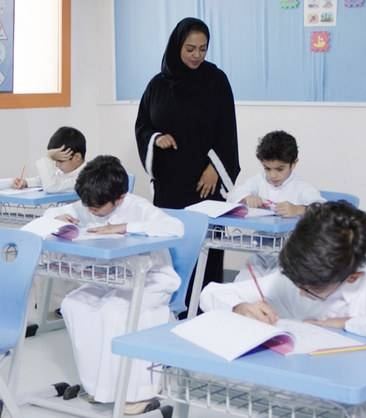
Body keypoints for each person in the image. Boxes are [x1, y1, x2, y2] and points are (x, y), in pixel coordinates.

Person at [200, 201, 366, 417]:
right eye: (297, 282)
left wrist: (346, 323)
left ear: (352, 276)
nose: (300, 292)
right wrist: (239, 307)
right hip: (317, 399)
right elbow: (210, 294)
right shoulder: (294, 279)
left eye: (311, 289)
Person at [41, 156, 184, 415]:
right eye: (87, 205)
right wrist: (58, 219)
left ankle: (137, 394)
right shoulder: (90, 202)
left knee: (114, 312)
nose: (90, 211)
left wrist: (124, 228)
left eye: (96, 207)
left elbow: (175, 227)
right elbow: (51, 215)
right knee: (73, 304)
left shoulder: (138, 207)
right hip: (111, 278)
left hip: (150, 281)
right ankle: (100, 387)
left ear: (119, 198)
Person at [135, 17, 240, 309]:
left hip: (205, 184)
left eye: (202, 49)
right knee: (171, 248)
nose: (197, 55)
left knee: (206, 247)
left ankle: (206, 310)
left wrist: (216, 169)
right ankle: (170, 310)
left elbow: (227, 130)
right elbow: (142, 125)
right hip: (170, 184)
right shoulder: (158, 85)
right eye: (190, 49)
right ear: (177, 46)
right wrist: (156, 138)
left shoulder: (216, 80)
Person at [227, 130, 325, 281]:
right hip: (260, 252)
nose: (273, 175)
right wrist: (246, 197)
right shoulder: (259, 181)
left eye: (280, 169)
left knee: (276, 287)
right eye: (267, 168)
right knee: (240, 285)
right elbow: (233, 194)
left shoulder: (301, 187)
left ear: (294, 164)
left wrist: (298, 209)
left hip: (290, 256)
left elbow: (323, 209)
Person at [0, 126, 86, 193]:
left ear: (77, 157)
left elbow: (51, 187)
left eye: (60, 161)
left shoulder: (86, 178)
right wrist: (26, 182)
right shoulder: (67, 172)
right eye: (55, 161)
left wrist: (48, 157)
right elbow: (42, 180)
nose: (56, 165)